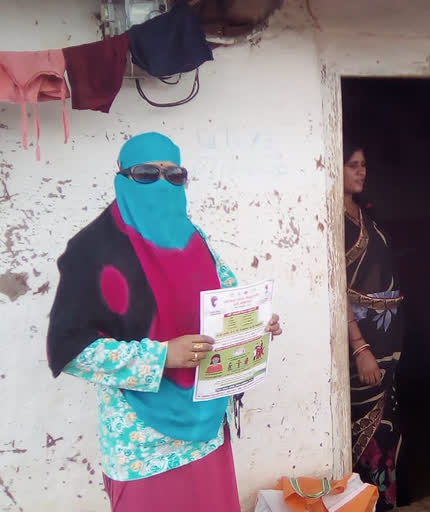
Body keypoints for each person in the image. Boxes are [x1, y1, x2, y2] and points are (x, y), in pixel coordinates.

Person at [46, 132, 283, 511]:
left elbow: (226, 303)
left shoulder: (195, 239)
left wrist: (257, 324)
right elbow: (72, 351)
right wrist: (162, 356)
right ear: (123, 178)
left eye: (173, 175)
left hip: (205, 426)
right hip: (140, 441)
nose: (161, 183)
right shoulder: (91, 251)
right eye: (145, 174)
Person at [344, 142, 404, 511]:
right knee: (363, 427)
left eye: (363, 165)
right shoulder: (329, 217)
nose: (361, 171)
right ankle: (364, 503)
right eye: (352, 165)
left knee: (389, 426)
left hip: (388, 340)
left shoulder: (363, 213)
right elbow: (335, 289)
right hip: (361, 343)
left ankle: (385, 502)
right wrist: (360, 347)